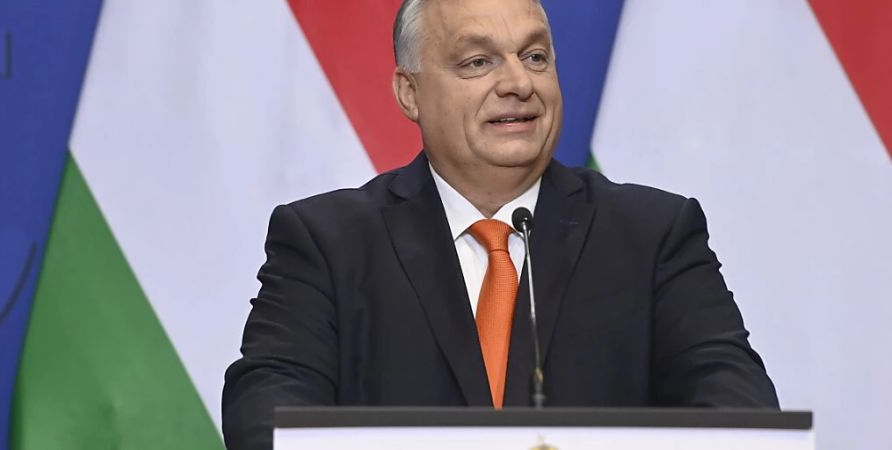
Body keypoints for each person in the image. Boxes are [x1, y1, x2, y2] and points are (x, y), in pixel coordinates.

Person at [222, 0, 779, 448]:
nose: (518, 82)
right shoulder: (327, 241)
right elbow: (267, 416)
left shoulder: (654, 234)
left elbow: (738, 409)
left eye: (535, 56)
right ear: (409, 92)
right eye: (478, 62)